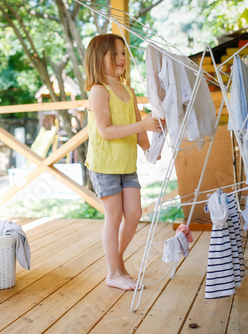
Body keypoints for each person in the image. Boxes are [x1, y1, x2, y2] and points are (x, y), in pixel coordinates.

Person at [84, 33, 164, 290]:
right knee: (114, 216)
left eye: (123, 53)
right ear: (99, 58)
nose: (121, 58)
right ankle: (113, 272)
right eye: (115, 54)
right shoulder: (99, 91)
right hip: (105, 166)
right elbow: (106, 130)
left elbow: (140, 132)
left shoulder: (129, 91)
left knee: (134, 214)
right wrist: (142, 123)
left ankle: (116, 264)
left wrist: (150, 149)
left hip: (127, 165)